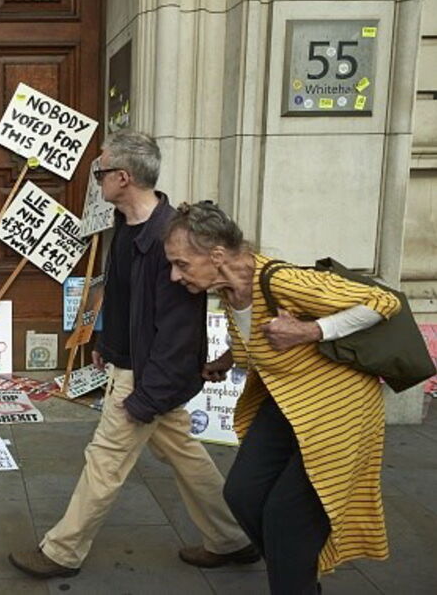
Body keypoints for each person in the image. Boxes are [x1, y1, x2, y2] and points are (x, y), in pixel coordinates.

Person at [8, 130, 257, 579]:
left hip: (148, 375)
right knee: (184, 452)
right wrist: (108, 346)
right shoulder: (126, 225)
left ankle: (62, 551)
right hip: (133, 361)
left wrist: (145, 397)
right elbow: (121, 298)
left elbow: (177, 337)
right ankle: (233, 537)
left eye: (100, 172)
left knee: (104, 459)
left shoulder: (173, 242)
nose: (96, 179)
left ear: (122, 178)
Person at [163, 201, 400, 595]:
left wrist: (312, 331)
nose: (174, 275)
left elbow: (384, 302)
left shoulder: (280, 279)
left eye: (182, 264)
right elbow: (260, 339)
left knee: (287, 518)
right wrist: (225, 359)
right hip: (287, 404)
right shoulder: (228, 292)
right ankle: (297, 572)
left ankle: (296, 579)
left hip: (336, 409)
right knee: (242, 494)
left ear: (217, 255)